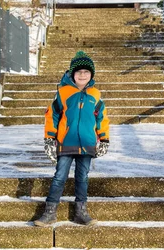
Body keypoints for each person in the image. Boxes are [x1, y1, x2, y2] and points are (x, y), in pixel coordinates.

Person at [34, 50, 110, 226]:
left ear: (91, 75)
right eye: (79, 72)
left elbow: (102, 118)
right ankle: (50, 212)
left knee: (82, 177)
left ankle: (81, 212)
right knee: (60, 176)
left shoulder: (96, 95)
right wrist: (49, 138)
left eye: (86, 72)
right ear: (72, 74)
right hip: (66, 142)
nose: (82, 75)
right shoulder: (62, 93)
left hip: (87, 143)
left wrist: (104, 139)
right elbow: (52, 115)